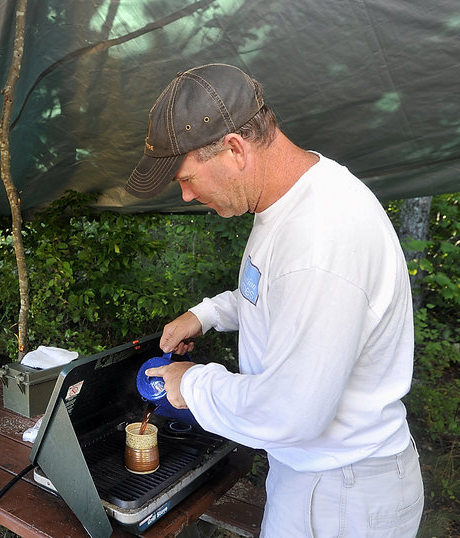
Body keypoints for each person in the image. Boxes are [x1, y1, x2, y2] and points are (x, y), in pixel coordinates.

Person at [126, 64, 424, 537]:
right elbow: (275, 296)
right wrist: (204, 315)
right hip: (322, 475)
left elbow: (293, 410)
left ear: (235, 149)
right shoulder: (293, 201)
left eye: (186, 178)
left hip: (340, 495)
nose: (184, 196)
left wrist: (193, 384)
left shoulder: (320, 238)